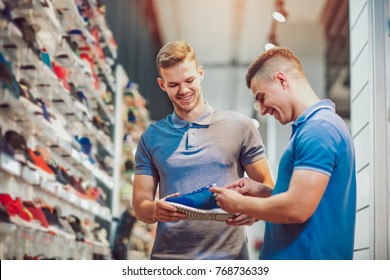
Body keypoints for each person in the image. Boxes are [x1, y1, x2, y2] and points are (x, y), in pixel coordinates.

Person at [132, 41, 274, 260]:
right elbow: (140, 205)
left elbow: (267, 186)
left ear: (200, 73)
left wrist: (253, 212)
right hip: (169, 259)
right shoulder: (151, 137)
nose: (183, 90)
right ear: (162, 85)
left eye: (189, 80)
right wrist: (154, 210)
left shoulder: (240, 126)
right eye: (173, 84)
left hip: (229, 259)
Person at [211, 47, 356, 260]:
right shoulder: (311, 128)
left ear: (281, 80)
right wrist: (266, 192)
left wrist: (238, 204)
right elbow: (308, 201)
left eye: (261, 97)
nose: (261, 109)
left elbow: (297, 209)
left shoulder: (319, 129)